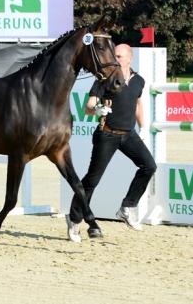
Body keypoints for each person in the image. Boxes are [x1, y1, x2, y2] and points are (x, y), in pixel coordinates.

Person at [66, 43, 157, 242]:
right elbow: (88, 107)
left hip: (129, 134)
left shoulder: (138, 80)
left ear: (129, 58)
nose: (116, 59)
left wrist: (143, 128)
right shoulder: (105, 78)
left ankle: (128, 206)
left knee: (149, 166)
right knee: (92, 180)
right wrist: (98, 109)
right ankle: (74, 220)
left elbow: (137, 104)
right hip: (106, 134)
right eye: (114, 55)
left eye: (119, 56)